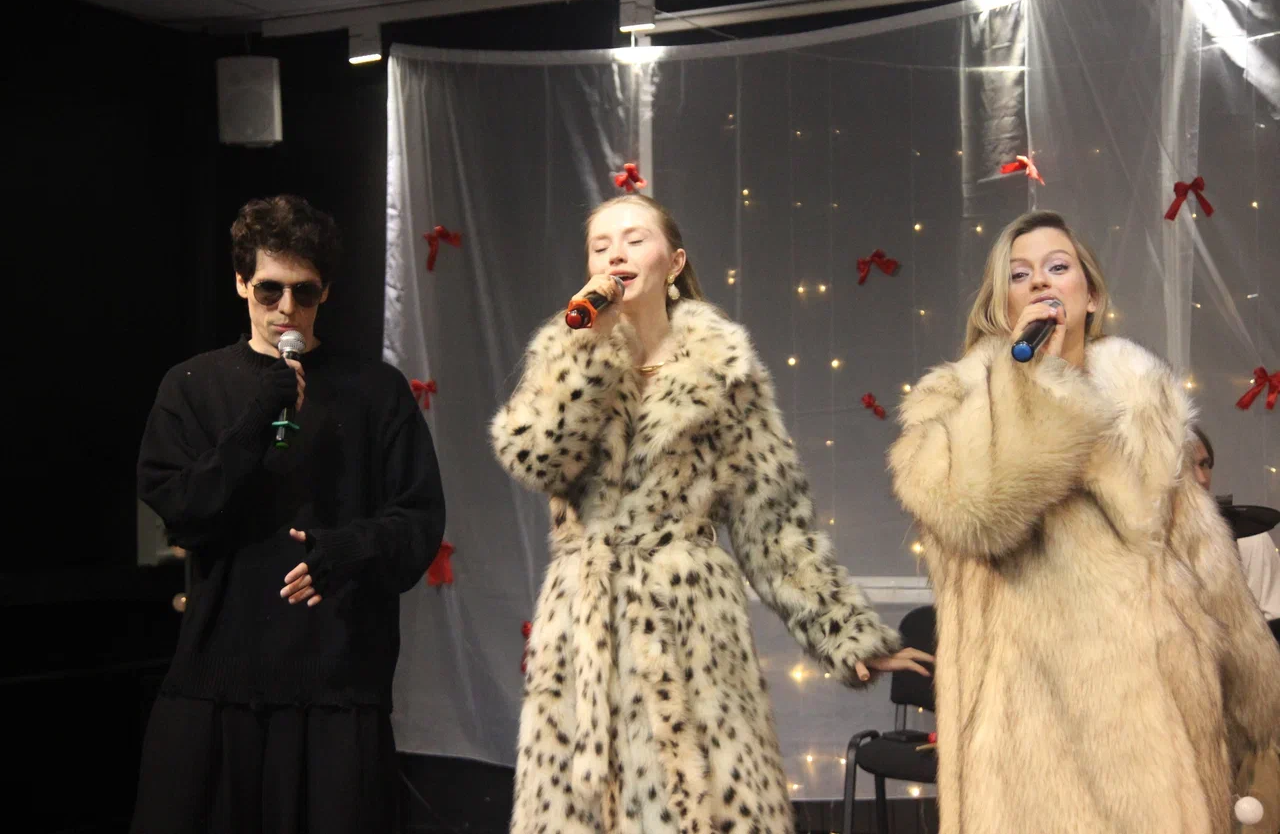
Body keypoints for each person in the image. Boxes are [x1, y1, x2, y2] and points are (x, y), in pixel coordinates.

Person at [490, 193, 932, 834]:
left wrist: (843, 631)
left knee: (706, 806)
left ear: (673, 263)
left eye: (635, 239)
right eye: (600, 245)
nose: (615, 254)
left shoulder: (724, 370)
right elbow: (534, 459)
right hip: (585, 625)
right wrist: (583, 352)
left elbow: (771, 519)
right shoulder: (566, 353)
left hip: (690, 619)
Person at [887, 209, 1280, 834]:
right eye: (1020, 275)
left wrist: (1256, 710)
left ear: (1090, 295)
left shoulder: (1144, 401)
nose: (1041, 282)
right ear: (1002, 304)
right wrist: (1029, 382)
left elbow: (1202, 558)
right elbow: (976, 514)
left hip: (1152, 727)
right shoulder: (954, 404)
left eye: (1057, 267)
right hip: (1022, 739)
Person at [131, 195, 446, 834]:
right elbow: (182, 510)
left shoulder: (376, 391)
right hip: (220, 675)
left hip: (337, 683)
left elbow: (418, 523)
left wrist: (347, 548)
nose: (286, 309)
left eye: (304, 292)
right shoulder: (191, 385)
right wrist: (258, 419)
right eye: (269, 290)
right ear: (241, 282)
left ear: (325, 292)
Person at [1191, 425, 1280, 624]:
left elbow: (1273, 627)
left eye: (1204, 464)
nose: (1202, 479)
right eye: (1186, 466)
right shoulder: (1139, 548)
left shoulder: (1249, 538)